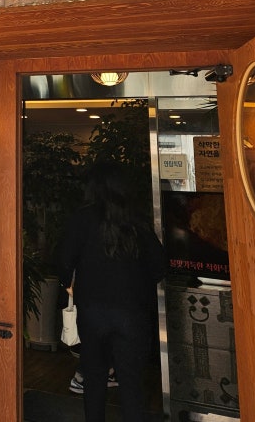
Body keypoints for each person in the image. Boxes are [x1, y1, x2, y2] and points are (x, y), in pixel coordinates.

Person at [58, 161, 166, 422]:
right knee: (132, 384)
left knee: (94, 380)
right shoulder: (136, 219)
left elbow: (63, 261)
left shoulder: (82, 218)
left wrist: (69, 285)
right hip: (132, 314)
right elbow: (160, 266)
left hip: (92, 313)